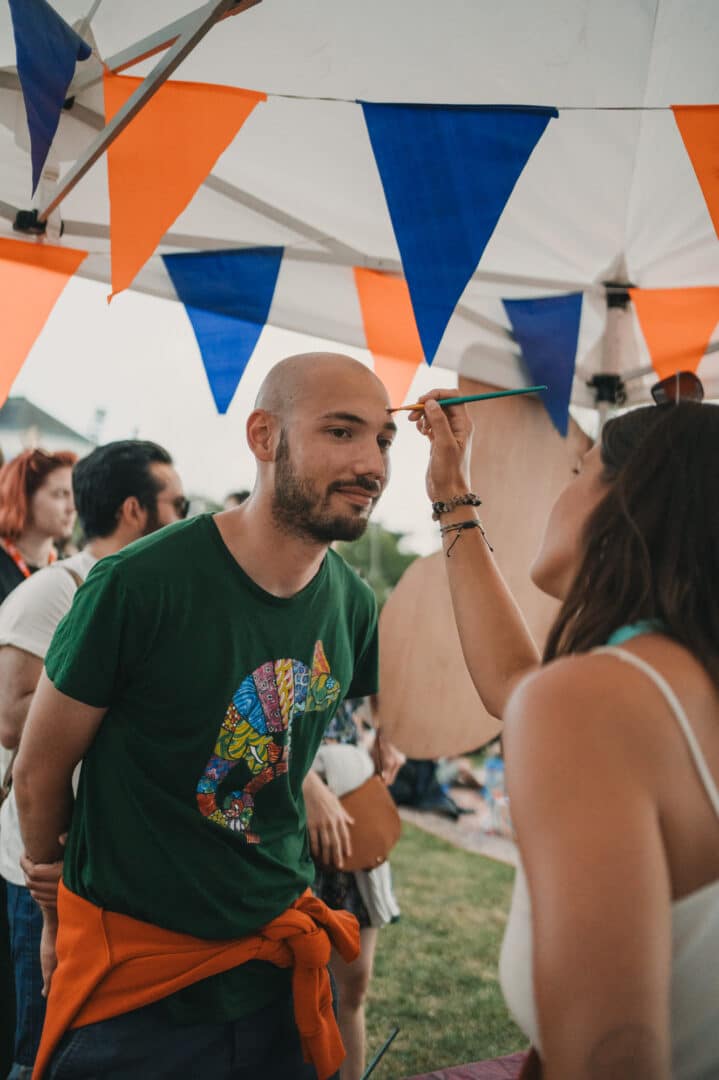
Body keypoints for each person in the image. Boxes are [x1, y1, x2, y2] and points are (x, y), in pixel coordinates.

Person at [14, 352, 397, 1080]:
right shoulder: (138, 582)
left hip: (276, 964)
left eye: (383, 440)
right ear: (263, 436)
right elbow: (39, 770)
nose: (371, 465)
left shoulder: (353, 604)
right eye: (342, 433)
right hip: (138, 983)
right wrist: (59, 902)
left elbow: (292, 753)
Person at [410, 389, 719, 1079]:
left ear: (627, 501)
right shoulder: (669, 688)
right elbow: (514, 686)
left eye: (577, 471)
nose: (560, 491)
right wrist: (451, 494)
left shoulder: (597, 701)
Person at [0, 439, 185, 1080]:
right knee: (40, 1041)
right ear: (135, 510)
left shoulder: (154, 591)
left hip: (113, 860)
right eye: (176, 504)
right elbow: (9, 721)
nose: (187, 518)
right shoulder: (57, 589)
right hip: (42, 865)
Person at [0, 448, 76, 1079]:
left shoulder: (56, 570)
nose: (69, 506)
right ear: (23, 497)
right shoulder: (22, 577)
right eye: (57, 493)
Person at [305, 697, 403, 1080]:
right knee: (289, 986)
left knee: (353, 986)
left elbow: (382, 683)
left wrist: (386, 733)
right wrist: (306, 781)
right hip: (288, 799)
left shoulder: (365, 633)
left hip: (352, 806)